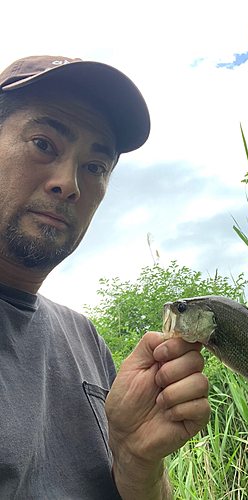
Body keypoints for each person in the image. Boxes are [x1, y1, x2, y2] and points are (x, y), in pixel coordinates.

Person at [0, 55, 211, 500]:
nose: (69, 183)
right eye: (43, 143)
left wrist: (138, 466)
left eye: (95, 167)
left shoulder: (84, 338)